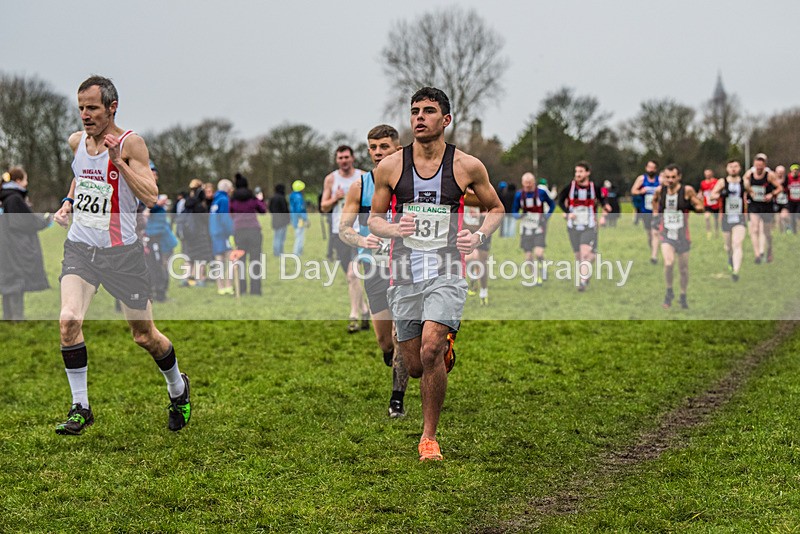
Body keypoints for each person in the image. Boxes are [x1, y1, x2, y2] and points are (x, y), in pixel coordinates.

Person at [369, 87, 503, 461]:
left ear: (445, 120)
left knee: (430, 349)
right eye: (414, 111)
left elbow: (496, 208)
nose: (419, 118)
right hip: (404, 272)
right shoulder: (391, 167)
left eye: (428, 111)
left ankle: (429, 438)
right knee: (413, 365)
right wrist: (395, 229)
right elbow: (374, 219)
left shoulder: (467, 166)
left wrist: (476, 236)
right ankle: (442, 354)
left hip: (447, 270)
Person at [52, 76, 190, 434]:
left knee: (144, 336)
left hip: (122, 255)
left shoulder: (132, 143)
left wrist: (119, 163)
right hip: (81, 249)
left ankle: (178, 388)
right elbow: (81, 176)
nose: (85, 115)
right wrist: (68, 203)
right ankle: (80, 406)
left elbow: (150, 196)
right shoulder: (76, 142)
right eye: (81, 107)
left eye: (92, 107)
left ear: (112, 107)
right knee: (68, 320)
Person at [339, 124, 409, 418]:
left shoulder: (412, 181)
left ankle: (397, 399)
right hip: (375, 267)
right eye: (373, 148)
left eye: (384, 147)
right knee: (385, 342)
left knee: (399, 334)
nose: (378, 153)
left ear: (397, 148)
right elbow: (344, 228)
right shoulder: (361, 185)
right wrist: (361, 239)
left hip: (407, 265)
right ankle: (394, 358)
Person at [320, 145, 368, 333]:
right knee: (351, 278)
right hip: (338, 233)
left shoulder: (363, 177)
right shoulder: (331, 179)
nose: (344, 161)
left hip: (358, 231)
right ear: (336, 160)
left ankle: (353, 315)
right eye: (340, 158)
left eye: (346, 157)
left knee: (352, 274)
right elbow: (323, 207)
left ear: (353, 158)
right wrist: (335, 198)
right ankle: (365, 310)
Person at [0, 167, 51, 320]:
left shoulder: (4, 197)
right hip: (14, 247)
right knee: (15, 281)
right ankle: (16, 318)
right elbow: (25, 222)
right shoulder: (14, 198)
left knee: (7, 280)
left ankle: (8, 316)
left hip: (4, 245)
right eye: (25, 179)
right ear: (18, 181)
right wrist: (45, 221)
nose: (26, 183)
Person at [651, 164, 704, 309]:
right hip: (666, 233)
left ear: (679, 177)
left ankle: (683, 295)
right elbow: (654, 201)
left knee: (683, 269)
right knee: (668, 263)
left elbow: (700, 207)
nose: (670, 180)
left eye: (673, 177)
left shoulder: (686, 191)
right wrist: (656, 215)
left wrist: (692, 207)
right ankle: (669, 292)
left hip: (683, 235)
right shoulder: (660, 191)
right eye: (667, 177)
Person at [557, 162, 605, 291]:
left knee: (585, 254)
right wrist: (568, 213)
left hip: (589, 226)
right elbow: (560, 201)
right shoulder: (569, 188)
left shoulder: (595, 188)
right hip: (573, 226)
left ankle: (582, 282)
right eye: (576, 172)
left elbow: (603, 201)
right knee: (579, 256)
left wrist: (604, 214)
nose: (578, 174)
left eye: (581, 171)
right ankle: (585, 274)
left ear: (588, 173)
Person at [511, 172, 555, 286]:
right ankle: (536, 278)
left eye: (530, 183)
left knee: (539, 253)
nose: (528, 186)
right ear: (522, 183)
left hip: (539, 227)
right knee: (528, 257)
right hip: (525, 228)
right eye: (525, 184)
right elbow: (514, 211)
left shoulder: (541, 193)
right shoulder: (519, 195)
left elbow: (552, 204)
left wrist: (547, 216)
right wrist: (518, 216)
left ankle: (543, 266)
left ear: (534, 182)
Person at [709, 159, 747, 281]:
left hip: (739, 218)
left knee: (737, 243)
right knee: (728, 246)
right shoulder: (722, 182)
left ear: (739, 168)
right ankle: (730, 258)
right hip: (726, 218)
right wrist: (721, 194)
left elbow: (752, 193)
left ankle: (736, 271)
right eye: (731, 166)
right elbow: (712, 195)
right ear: (727, 169)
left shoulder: (744, 182)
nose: (733, 169)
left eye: (735, 166)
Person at [230, 173, 267, 295]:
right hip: (253, 230)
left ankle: (242, 288)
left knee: (240, 260)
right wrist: (260, 200)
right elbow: (263, 210)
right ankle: (255, 290)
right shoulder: (252, 198)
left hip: (239, 231)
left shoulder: (233, 200)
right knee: (255, 260)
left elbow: (229, 213)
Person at [743, 153, 782, 263]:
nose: (759, 168)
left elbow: (780, 188)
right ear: (754, 164)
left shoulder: (769, 175)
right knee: (754, 228)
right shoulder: (749, 174)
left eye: (761, 166)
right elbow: (744, 185)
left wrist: (772, 194)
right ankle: (758, 254)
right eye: (757, 165)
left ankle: (769, 249)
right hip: (754, 205)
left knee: (766, 232)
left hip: (766, 205)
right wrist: (748, 193)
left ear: (764, 165)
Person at [144, 192, 178, 302]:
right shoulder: (150, 205)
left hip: (165, 242)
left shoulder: (158, 207)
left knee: (162, 267)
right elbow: (146, 213)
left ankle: (161, 293)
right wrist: (157, 204)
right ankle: (158, 293)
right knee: (157, 267)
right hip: (156, 241)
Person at [181, 178, 213, 286]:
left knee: (190, 256)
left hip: (189, 233)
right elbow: (205, 219)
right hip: (200, 233)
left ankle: (186, 278)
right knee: (201, 257)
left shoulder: (186, 203)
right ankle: (200, 279)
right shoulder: (199, 206)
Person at [630, 160, 661, 263]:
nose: (651, 169)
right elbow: (633, 191)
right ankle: (653, 249)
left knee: (655, 232)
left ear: (656, 169)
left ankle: (654, 256)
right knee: (649, 234)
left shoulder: (660, 180)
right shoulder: (641, 179)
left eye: (653, 167)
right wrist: (640, 191)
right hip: (645, 210)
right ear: (646, 168)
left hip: (656, 211)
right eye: (649, 167)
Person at [210, 179, 235, 295]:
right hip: (223, 234)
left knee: (218, 261)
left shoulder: (215, 200)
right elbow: (225, 218)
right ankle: (228, 286)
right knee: (231, 259)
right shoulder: (224, 200)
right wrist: (231, 232)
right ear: (228, 189)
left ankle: (220, 287)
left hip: (214, 233)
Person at [268, 183, 290, 257]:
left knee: (276, 237)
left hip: (275, 220)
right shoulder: (282, 198)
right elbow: (285, 210)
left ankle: (276, 252)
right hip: (282, 221)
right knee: (281, 238)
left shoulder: (273, 198)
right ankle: (280, 252)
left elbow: (270, 208)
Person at [699, 168, 721, 238]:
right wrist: (700, 196)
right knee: (707, 217)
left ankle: (716, 232)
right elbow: (701, 192)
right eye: (706, 174)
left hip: (716, 204)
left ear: (712, 174)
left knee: (716, 220)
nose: (707, 175)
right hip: (707, 204)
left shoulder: (716, 181)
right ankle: (709, 232)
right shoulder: (703, 183)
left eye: (709, 173)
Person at [289, 180, 309, 256]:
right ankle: (297, 252)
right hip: (299, 219)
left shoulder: (292, 195)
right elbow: (300, 209)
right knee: (300, 235)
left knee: (298, 234)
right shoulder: (299, 197)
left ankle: (298, 251)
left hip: (294, 218)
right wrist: (305, 218)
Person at [773, 165, 790, 233]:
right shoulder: (772, 180)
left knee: (784, 216)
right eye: (779, 172)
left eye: (782, 172)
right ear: (775, 172)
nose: (780, 173)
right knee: (778, 219)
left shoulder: (787, 180)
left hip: (785, 201)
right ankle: (781, 232)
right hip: (776, 202)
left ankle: (788, 226)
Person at [787, 163, 800, 234]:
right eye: (794, 170)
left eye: (796, 170)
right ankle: (793, 231)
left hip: (799, 201)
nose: (795, 172)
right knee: (792, 216)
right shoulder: (788, 178)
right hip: (791, 200)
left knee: (798, 215)